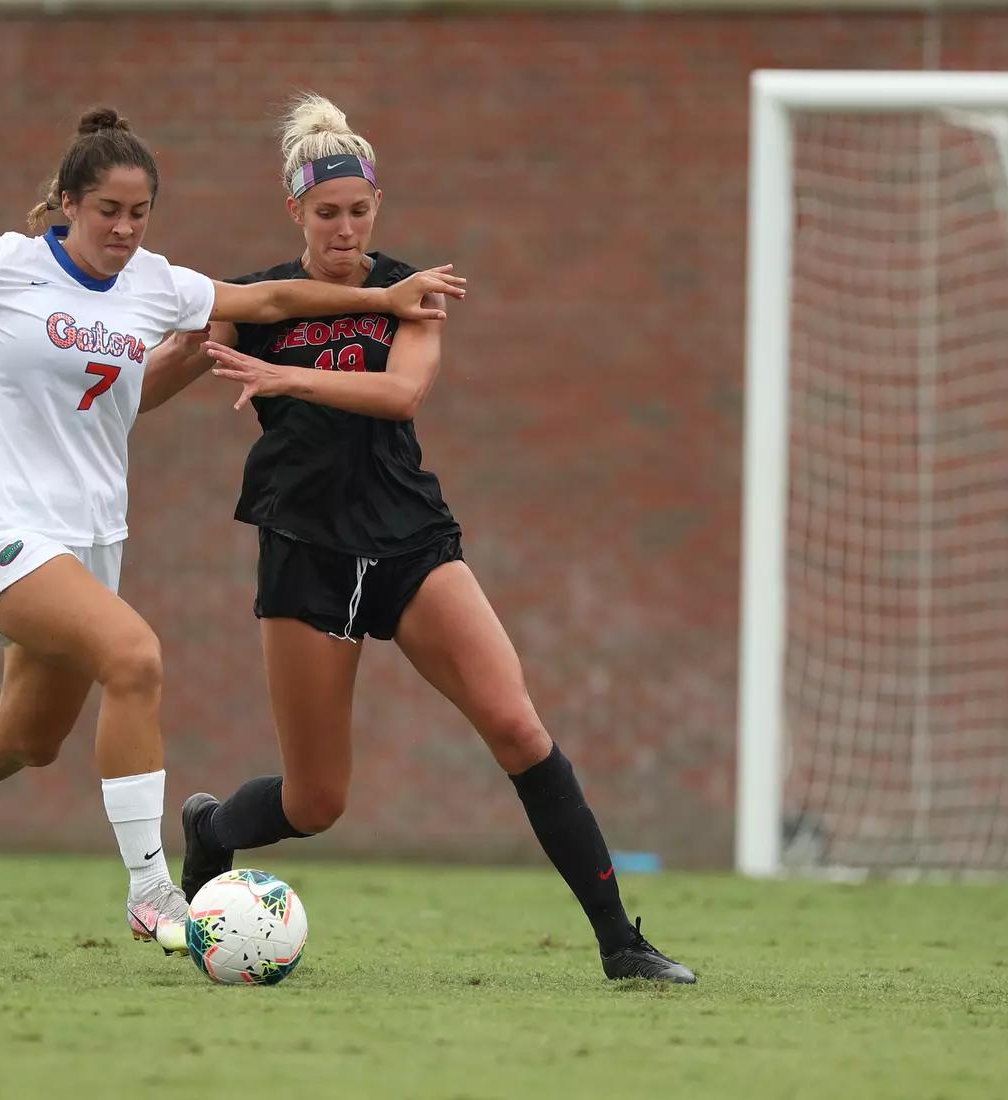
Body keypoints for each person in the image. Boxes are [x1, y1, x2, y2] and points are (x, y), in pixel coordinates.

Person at [0, 106, 467, 956]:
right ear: (68, 205)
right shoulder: (0, 264)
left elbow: (265, 297)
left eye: (140, 211)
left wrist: (381, 295)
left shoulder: (156, 283)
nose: (123, 227)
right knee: (134, 656)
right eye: (108, 210)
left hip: (90, 539)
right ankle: (153, 892)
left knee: (29, 738)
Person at [141, 95, 695, 983]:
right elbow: (153, 381)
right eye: (327, 213)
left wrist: (284, 373)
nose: (346, 228)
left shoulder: (410, 292)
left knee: (517, 726)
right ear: (296, 213)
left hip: (408, 543)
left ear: (377, 205)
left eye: (359, 210)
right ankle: (212, 829)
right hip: (306, 552)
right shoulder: (258, 298)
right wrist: (148, 357)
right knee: (317, 801)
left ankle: (620, 945)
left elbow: (400, 396)